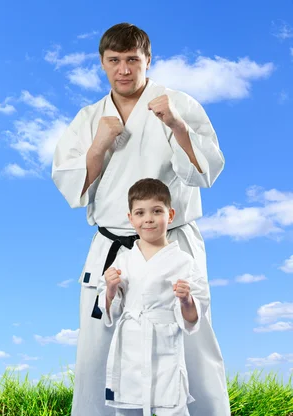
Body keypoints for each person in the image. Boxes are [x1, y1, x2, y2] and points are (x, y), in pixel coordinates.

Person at [51, 22, 231, 415]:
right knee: (97, 345)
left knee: (193, 341)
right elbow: (71, 189)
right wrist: (99, 144)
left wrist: (176, 126)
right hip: (113, 244)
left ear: (148, 60)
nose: (124, 70)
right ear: (102, 63)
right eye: (114, 60)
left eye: (133, 60)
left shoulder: (177, 103)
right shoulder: (89, 118)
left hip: (172, 242)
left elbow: (207, 172)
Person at [97, 178, 210, 416]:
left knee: (171, 404)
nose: (148, 218)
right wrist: (109, 288)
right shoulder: (124, 258)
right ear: (131, 219)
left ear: (170, 215)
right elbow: (110, 309)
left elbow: (194, 318)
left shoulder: (184, 262)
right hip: (129, 346)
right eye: (140, 212)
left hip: (164, 344)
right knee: (127, 405)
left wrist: (186, 300)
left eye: (156, 211)